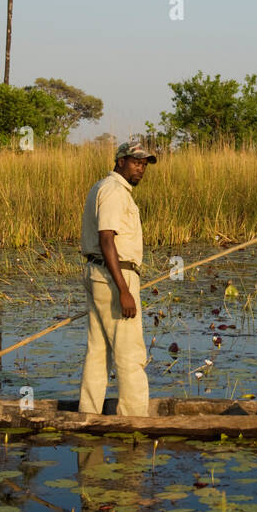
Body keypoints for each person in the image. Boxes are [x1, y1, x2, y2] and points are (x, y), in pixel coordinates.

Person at [78, 140, 156, 416]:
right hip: (114, 276)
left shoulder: (106, 187)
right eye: (136, 162)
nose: (141, 169)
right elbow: (106, 239)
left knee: (99, 351)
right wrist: (124, 290)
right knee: (130, 352)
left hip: (102, 274)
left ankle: (89, 413)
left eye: (144, 164)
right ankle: (134, 418)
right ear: (120, 161)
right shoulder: (113, 191)